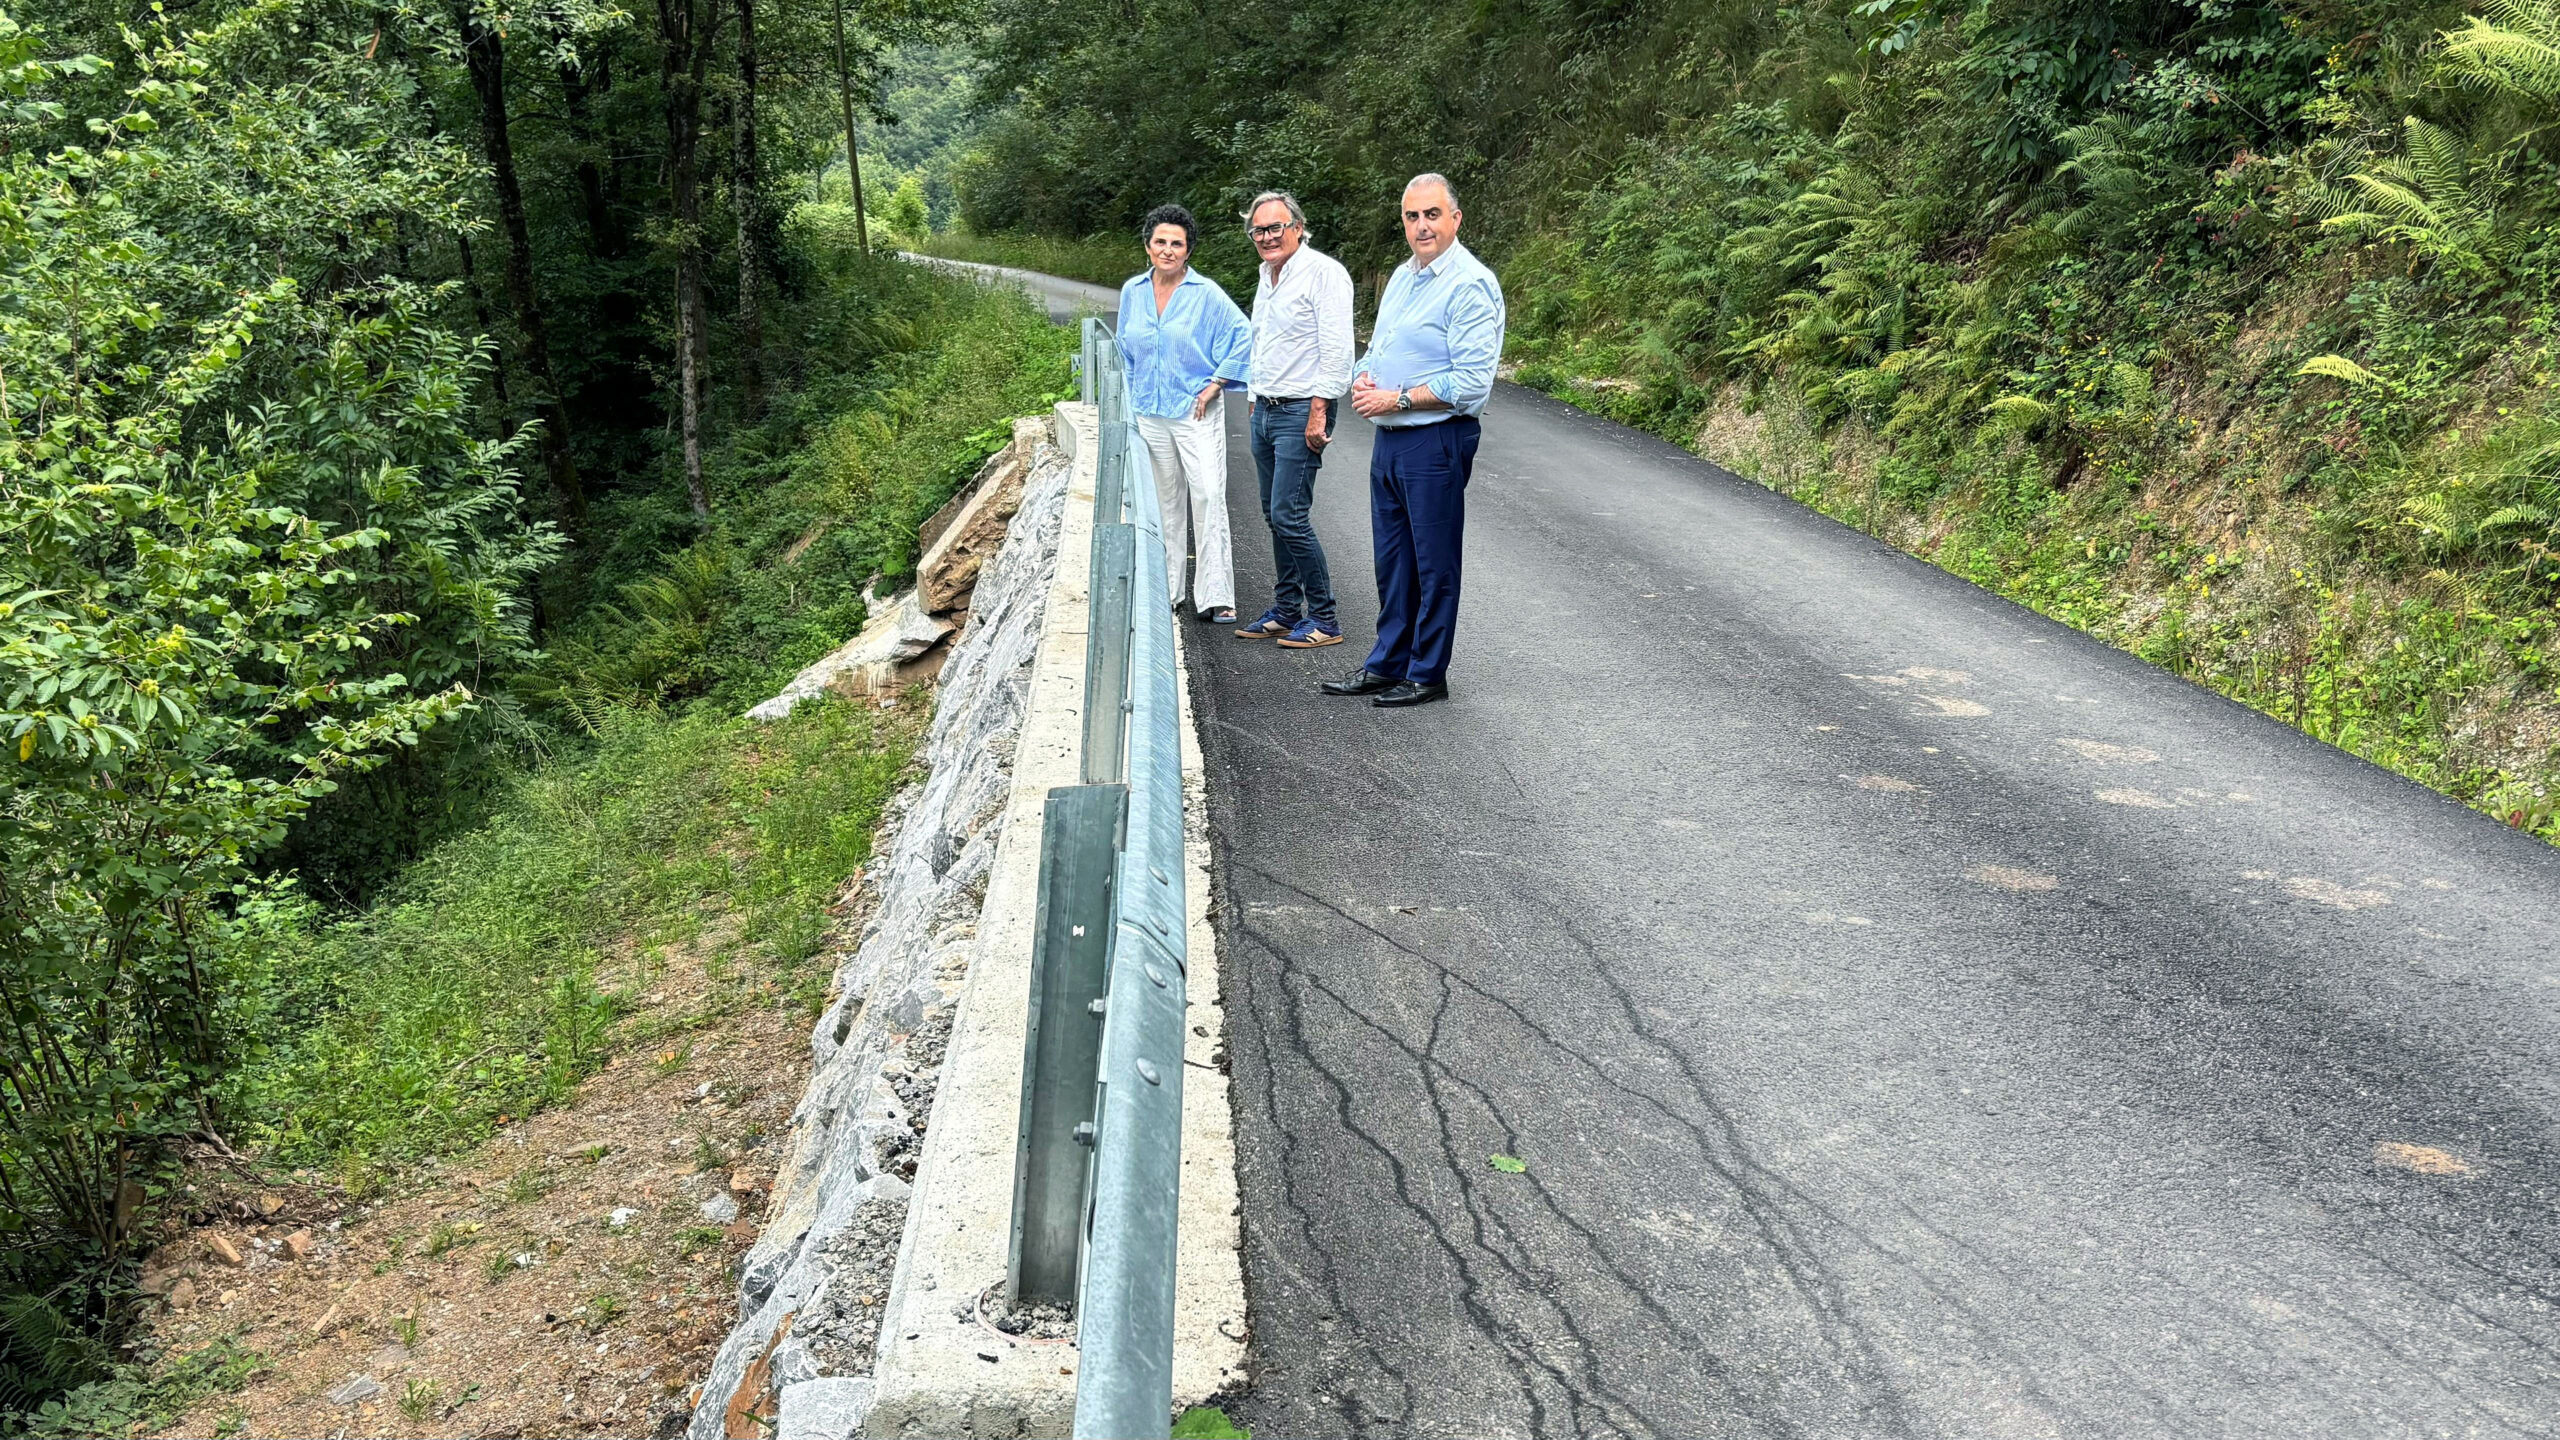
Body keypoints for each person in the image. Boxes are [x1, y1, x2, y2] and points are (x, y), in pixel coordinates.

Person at [1322, 173, 1506, 708]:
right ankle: (1387, 663)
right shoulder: (1403, 277)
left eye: (1431, 214)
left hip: (1436, 439)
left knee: (1433, 563)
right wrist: (1363, 375)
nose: (1421, 225)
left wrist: (1397, 398)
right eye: (1411, 216)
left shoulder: (1470, 283)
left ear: (1455, 218)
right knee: (1393, 560)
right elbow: (1380, 348)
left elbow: (1472, 383)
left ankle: (1428, 674)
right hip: (1392, 441)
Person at [1117, 203, 1252, 623]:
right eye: (1161, 242)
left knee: (1208, 494)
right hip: (1149, 413)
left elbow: (1242, 334)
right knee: (1163, 504)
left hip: (1194, 411)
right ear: (1147, 246)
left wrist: (1216, 384)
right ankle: (1168, 592)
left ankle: (1215, 595)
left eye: (1177, 243)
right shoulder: (1132, 292)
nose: (1169, 250)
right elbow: (1125, 349)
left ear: (1188, 250)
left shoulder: (1206, 293)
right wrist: (1131, 395)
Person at [1234, 191, 1355, 649]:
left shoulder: (1324, 274)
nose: (1267, 237)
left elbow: (1338, 348)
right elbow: (1262, 341)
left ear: (1298, 227)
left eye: (1275, 227)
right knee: (1273, 513)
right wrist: (1252, 396)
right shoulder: (1267, 275)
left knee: (1290, 513)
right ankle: (1287, 611)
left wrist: (1320, 410)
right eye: (1259, 230)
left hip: (1304, 409)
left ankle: (1324, 618)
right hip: (1265, 409)